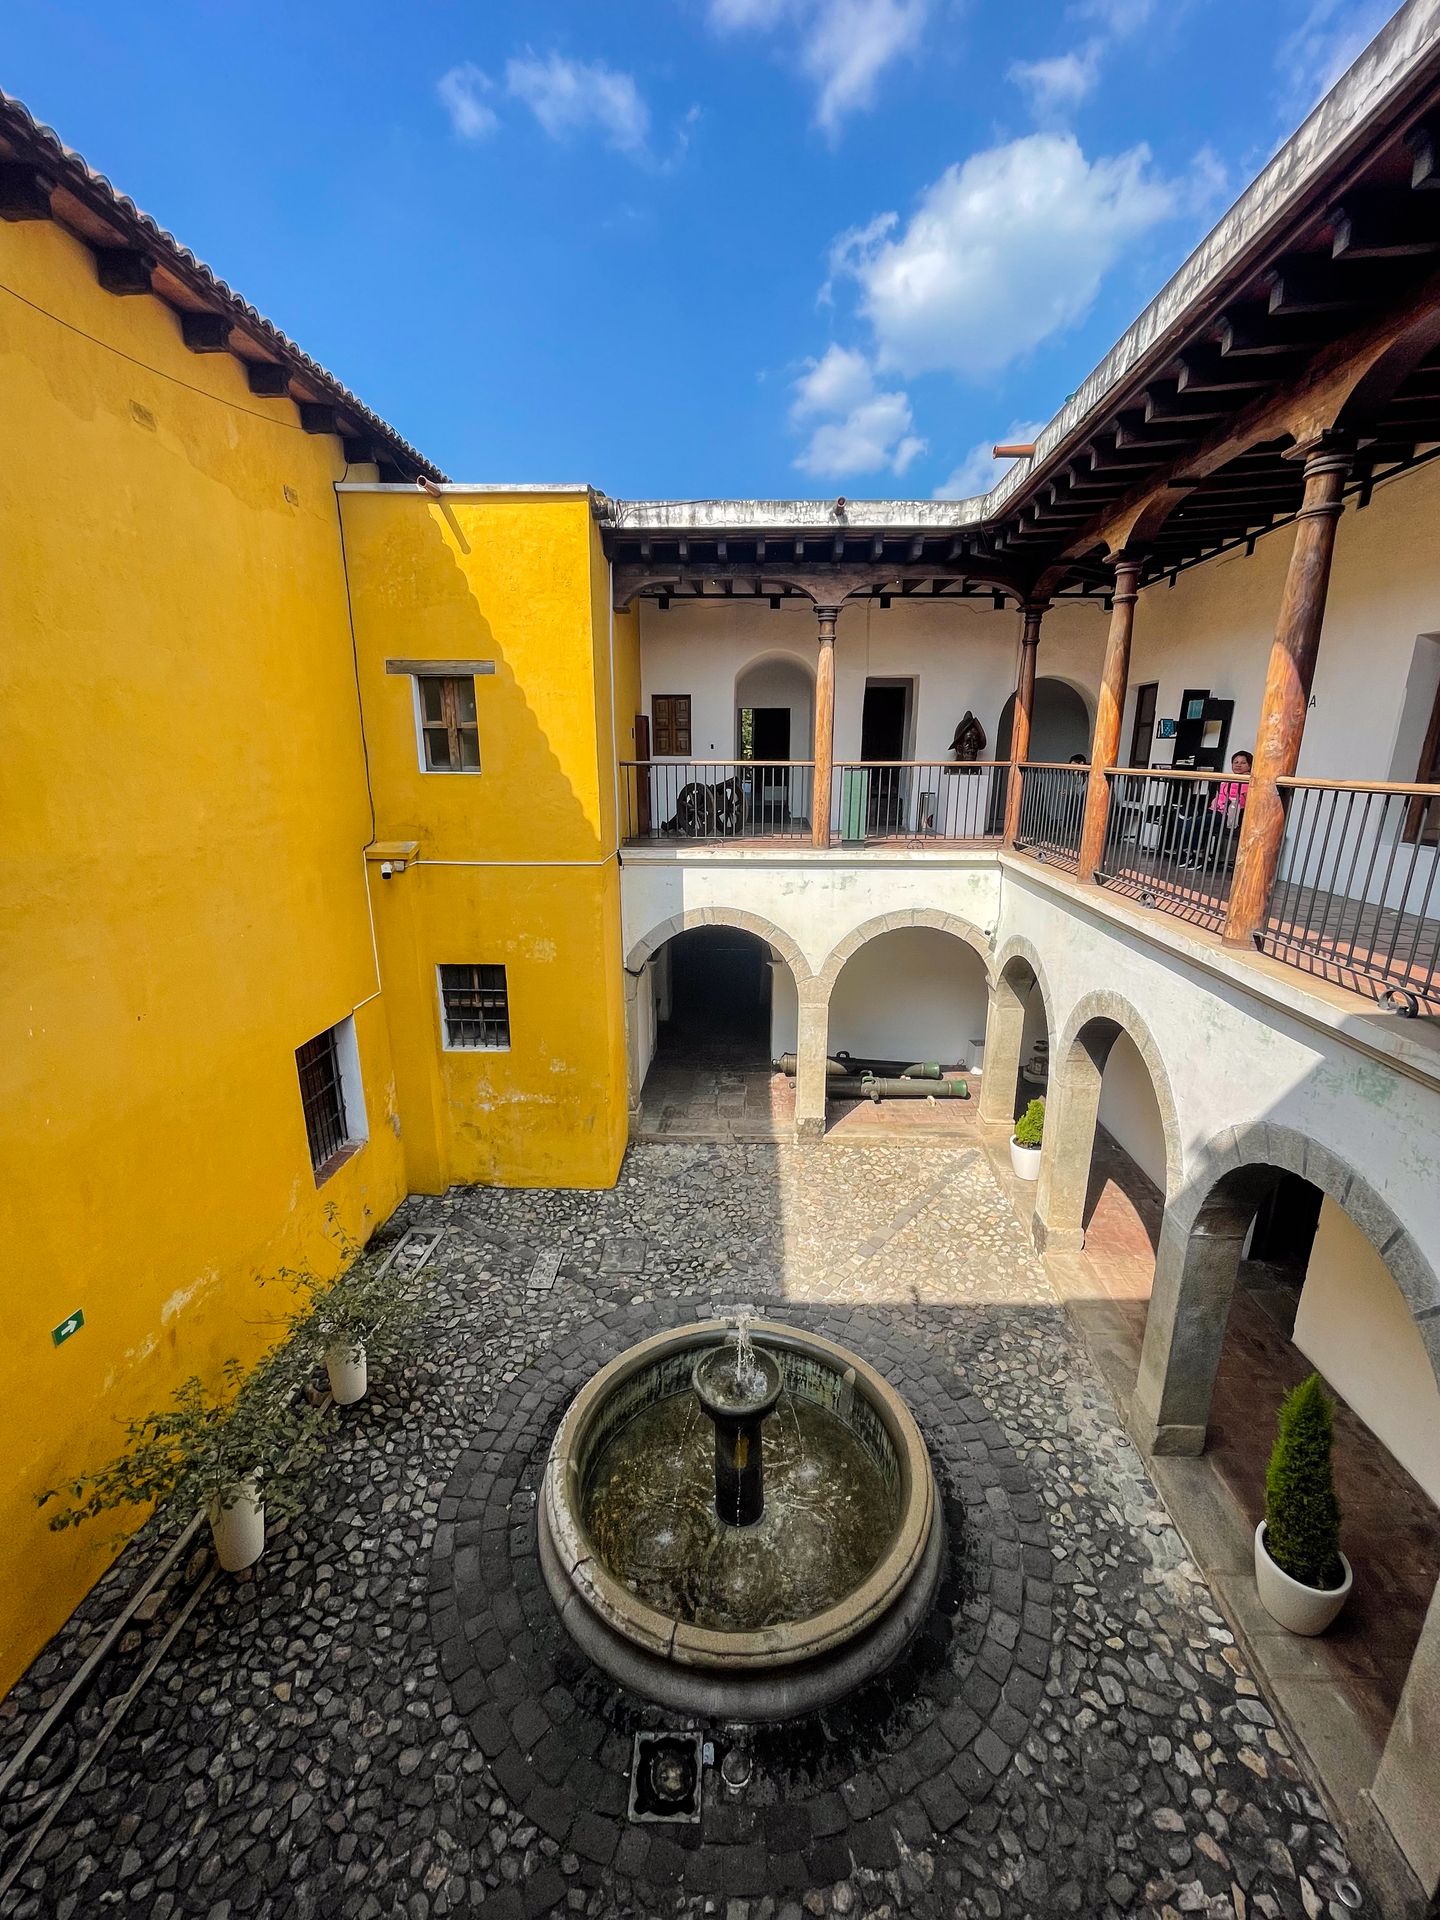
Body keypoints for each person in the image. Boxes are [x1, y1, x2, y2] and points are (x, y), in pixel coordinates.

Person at [1179, 751, 1251, 871]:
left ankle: (1196, 855)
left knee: (1194, 824)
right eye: (1235, 762)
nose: (1238, 765)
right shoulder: (1227, 778)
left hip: (1227, 815)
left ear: (1249, 765)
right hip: (1214, 810)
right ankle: (1188, 853)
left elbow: (1248, 801)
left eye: (1243, 763)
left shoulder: (1248, 782)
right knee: (1185, 820)